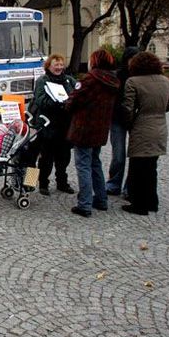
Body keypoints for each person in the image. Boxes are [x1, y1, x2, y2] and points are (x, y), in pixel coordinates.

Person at [66, 49, 120, 217]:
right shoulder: (113, 80)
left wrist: (67, 103)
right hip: (100, 128)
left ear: (94, 61)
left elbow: (74, 100)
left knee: (83, 165)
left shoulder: (90, 79)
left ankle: (85, 204)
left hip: (84, 128)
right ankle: (101, 200)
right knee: (95, 164)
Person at [121, 52, 169, 215]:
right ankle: (152, 201)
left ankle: (139, 204)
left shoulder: (133, 81)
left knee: (138, 167)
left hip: (142, 126)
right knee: (151, 167)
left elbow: (128, 107)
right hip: (159, 126)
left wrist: (130, 121)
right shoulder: (165, 81)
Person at [28, 54, 76, 196]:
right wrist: (57, 103)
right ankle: (40, 183)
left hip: (64, 125)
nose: (59, 67)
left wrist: (68, 104)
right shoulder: (42, 81)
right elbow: (40, 100)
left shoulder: (69, 81)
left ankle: (62, 182)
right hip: (46, 124)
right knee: (43, 157)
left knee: (64, 157)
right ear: (49, 66)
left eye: (61, 64)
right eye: (56, 64)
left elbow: (76, 96)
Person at [106, 46, 139, 196]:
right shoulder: (117, 75)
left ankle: (129, 186)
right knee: (118, 155)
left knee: (135, 155)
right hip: (117, 119)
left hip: (136, 120)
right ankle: (114, 183)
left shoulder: (141, 76)